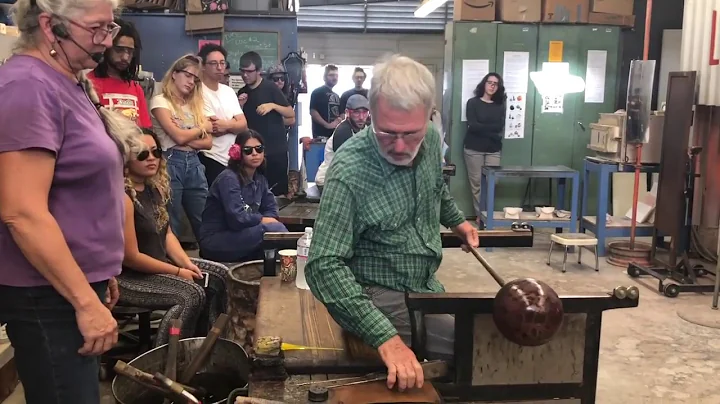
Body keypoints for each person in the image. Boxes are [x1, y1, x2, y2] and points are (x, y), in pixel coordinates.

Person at [305, 55, 479, 392]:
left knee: (479, 343)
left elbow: (435, 190)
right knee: (456, 359)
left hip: (425, 284)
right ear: (370, 113)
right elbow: (323, 265)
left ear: (428, 116)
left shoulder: (427, 141)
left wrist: (458, 223)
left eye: (411, 134)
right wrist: (385, 338)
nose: (401, 147)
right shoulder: (350, 170)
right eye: (387, 133)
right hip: (375, 293)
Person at [0, 0, 143, 401]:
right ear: (51, 27)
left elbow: (77, 189)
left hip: (71, 281)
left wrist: (98, 268)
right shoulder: (29, 86)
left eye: (110, 29)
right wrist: (84, 298)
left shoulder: (69, 81)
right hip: (46, 295)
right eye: (96, 29)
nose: (106, 42)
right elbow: (21, 212)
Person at [120, 129, 228, 346]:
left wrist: (187, 265)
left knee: (220, 276)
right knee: (190, 295)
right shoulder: (123, 198)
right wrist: (178, 272)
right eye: (141, 154)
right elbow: (130, 257)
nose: (151, 158)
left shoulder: (154, 189)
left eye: (155, 152)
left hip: (158, 265)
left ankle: (204, 347)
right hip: (128, 277)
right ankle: (166, 360)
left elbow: (167, 234)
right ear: (125, 159)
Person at [150, 54, 213, 243]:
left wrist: (184, 137)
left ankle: (212, 262)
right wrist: (201, 129)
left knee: (204, 218)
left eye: (195, 79)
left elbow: (208, 143)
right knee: (172, 218)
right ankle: (173, 268)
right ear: (174, 74)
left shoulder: (195, 105)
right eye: (187, 75)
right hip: (170, 162)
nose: (191, 82)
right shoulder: (161, 101)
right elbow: (177, 136)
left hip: (194, 163)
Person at [199, 130, 288, 262]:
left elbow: (271, 209)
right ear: (237, 153)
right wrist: (262, 220)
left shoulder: (260, 179)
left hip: (243, 235)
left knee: (273, 232)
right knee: (274, 229)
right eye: (248, 150)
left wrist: (266, 220)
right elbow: (237, 219)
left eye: (259, 149)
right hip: (216, 240)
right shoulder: (228, 179)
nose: (254, 154)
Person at [237, 51, 295, 196]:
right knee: (254, 194)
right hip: (254, 154)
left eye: (249, 72)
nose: (245, 75)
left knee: (278, 195)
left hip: (276, 152)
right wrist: (240, 106)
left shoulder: (270, 88)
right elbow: (240, 124)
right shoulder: (242, 92)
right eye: (242, 71)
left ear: (259, 71)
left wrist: (273, 106)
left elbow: (290, 114)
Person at [197, 43, 248, 187]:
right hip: (210, 158)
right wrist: (233, 123)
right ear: (203, 66)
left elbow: (243, 125)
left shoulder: (228, 91)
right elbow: (214, 129)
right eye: (213, 63)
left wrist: (226, 124)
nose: (219, 68)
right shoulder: (198, 92)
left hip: (232, 159)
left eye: (222, 63)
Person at [87, 17, 150, 128]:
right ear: (107, 48)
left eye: (130, 52)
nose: (125, 57)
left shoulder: (136, 88)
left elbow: (145, 128)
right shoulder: (88, 84)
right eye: (119, 50)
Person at [464, 72, 506, 219]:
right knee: (477, 184)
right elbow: (473, 126)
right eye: (490, 82)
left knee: (493, 182)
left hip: (493, 149)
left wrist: (483, 127)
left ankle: (487, 213)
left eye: (495, 84)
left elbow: (499, 126)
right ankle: (480, 216)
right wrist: (490, 128)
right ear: (484, 84)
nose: (492, 86)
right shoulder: (472, 103)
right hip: (473, 149)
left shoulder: (500, 105)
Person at [315, 94, 370, 189]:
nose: (361, 117)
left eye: (364, 112)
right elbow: (348, 167)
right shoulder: (343, 132)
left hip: (344, 178)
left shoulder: (363, 128)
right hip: (328, 181)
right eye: (356, 113)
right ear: (347, 113)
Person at [308, 64, 341, 143]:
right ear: (324, 77)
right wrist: (327, 125)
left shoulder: (337, 96)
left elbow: (341, 113)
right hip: (321, 136)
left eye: (336, 75)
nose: (334, 78)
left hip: (335, 136)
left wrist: (338, 121)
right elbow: (313, 111)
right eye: (331, 75)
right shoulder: (317, 92)